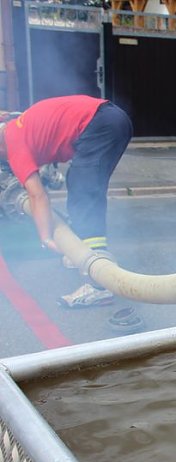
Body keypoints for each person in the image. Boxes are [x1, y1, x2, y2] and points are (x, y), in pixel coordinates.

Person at [0, 95, 133, 308]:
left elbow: (38, 196)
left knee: (84, 193)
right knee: (82, 185)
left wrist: (45, 237)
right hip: (108, 117)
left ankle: (100, 285)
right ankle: (80, 251)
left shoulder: (14, 149)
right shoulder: (14, 126)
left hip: (100, 123)